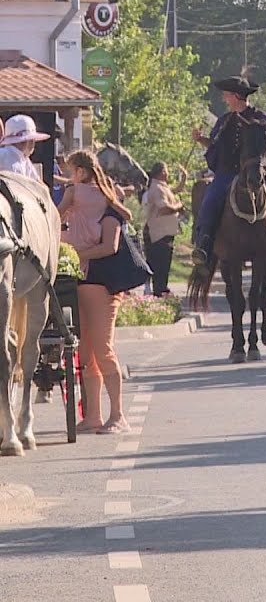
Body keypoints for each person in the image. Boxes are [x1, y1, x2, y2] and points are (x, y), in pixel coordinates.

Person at [192, 76, 266, 271]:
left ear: (237, 96)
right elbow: (215, 147)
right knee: (209, 202)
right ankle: (204, 247)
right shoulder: (224, 121)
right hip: (228, 174)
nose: (224, 99)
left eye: (226, 95)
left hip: (261, 174)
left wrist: (261, 159)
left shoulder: (263, 119)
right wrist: (201, 140)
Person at [64, 151, 134, 435]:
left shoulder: (94, 200)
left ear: (81, 172)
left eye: (71, 171)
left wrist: (78, 253)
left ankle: (118, 415)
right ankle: (93, 415)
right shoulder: (103, 200)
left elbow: (110, 247)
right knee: (87, 351)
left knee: (102, 349)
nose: (70, 177)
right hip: (85, 280)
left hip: (100, 282)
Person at [142, 163, 183, 297]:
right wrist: (178, 206)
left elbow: (176, 190)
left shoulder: (162, 187)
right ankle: (159, 295)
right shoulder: (157, 188)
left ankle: (161, 292)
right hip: (158, 234)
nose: (168, 173)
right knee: (160, 268)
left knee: (164, 268)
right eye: (167, 171)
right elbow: (164, 208)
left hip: (165, 233)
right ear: (162, 172)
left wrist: (184, 177)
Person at [0, 114, 47, 180]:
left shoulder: (25, 160)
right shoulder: (3, 154)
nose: (33, 144)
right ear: (25, 141)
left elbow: (37, 182)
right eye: (31, 140)